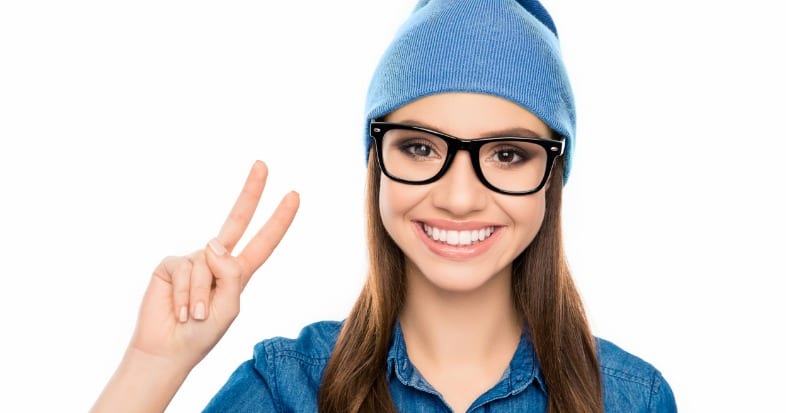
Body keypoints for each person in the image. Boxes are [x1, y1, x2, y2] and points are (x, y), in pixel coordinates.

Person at [92, 1, 677, 412]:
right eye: (421, 148)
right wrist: (152, 364)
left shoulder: (631, 400)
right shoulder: (289, 389)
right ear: (376, 163)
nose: (458, 197)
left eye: (507, 155)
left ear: (552, 175)